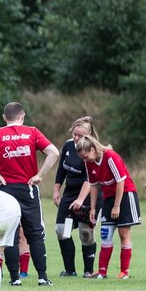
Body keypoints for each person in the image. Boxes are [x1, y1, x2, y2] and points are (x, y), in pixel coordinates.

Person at [0, 101, 60, 287]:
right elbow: (53, 152)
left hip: (5, 189)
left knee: (9, 235)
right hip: (28, 188)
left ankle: (15, 278)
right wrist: (40, 175)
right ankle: (42, 277)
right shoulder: (32, 132)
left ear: (4, 117)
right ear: (22, 116)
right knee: (35, 234)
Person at [70, 134, 140, 280]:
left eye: (86, 156)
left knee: (123, 233)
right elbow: (94, 185)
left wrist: (117, 206)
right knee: (105, 233)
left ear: (93, 149)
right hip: (108, 197)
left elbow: (121, 181)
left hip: (125, 195)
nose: (85, 160)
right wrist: (93, 208)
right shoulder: (88, 163)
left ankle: (124, 272)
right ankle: (102, 272)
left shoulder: (110, 156)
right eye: (82, 158)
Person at [53, 116, 99, 278]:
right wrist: (56, 189)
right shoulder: (67, 145)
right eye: (75, 134)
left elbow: (90, 179)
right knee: (62, 231)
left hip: (87, 195)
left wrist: (80, 200)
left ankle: (88, 271)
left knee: (85, 233)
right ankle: (70, 270)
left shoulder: (92, 150)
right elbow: (61, 169)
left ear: (89, 135)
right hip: (69, 194)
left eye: (80, 135)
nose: (76, 138)